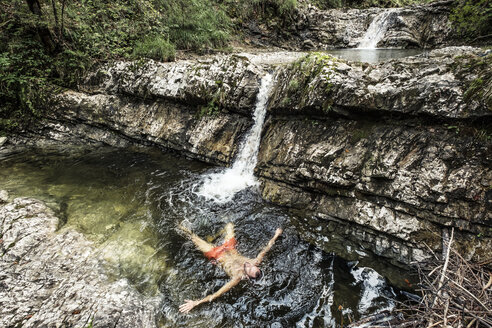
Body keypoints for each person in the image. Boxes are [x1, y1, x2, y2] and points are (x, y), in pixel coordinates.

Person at [178, 222, 283, 313]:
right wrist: (276, 235)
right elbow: (267, 248)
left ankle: (179, 224)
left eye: (249, 269)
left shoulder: (236, 278)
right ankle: (216, 235)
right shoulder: (255, 262)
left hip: (216, 255)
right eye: (253, 266)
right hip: (230, 247)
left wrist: (196, 303)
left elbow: (216, 295)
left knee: (192, 237)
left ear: (247, 277)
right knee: (229, 224)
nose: (249, 265)